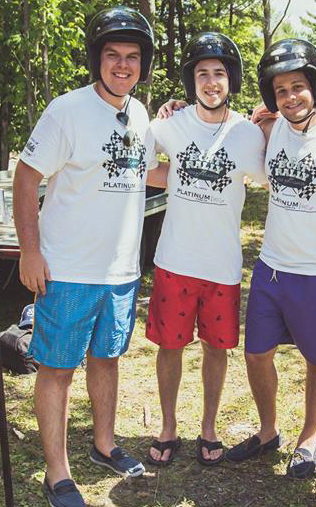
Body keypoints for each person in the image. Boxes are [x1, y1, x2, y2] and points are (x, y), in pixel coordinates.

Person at [13, 7, 157, 507]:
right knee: (57, 368)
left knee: (107, 357)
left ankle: (105, 443)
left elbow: (148, 173)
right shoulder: (66, 110)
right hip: (68, 269)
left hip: (120, 269)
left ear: (143, 64)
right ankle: (58, 473)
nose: (122, 65)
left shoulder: (140, 114)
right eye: (113, 55)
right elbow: (27, 176)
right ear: (98, 60)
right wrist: (30, 250)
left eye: (132, 57)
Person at [223, 39, 316, 479]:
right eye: (281, 90)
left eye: (299, 86)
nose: (291, 96)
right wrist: (174, 107)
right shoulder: (268, 130)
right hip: (271, 267)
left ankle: (308, 438)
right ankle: (268, 431)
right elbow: (219, 125)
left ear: (315, 86)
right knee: (256, 354)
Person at [144, 32, 267, 467]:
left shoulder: (247, 136)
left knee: (217, 349)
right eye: (202, 74)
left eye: (219, 73)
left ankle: (209, 428)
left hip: (222, 267)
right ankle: (168, 426)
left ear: (230, 80)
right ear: (190, 81)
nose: (211, 82)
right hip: (174, 261)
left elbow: (280, 170)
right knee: (170, 347)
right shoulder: (168, 124)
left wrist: (272, 122)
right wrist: (173, 174)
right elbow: (139, 163)